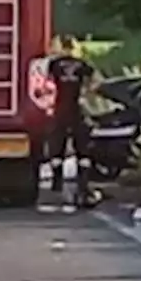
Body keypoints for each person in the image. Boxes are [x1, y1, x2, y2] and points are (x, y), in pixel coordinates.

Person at [44, 35, 97, 205]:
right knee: (82, 148)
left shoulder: (54, 64)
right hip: (77, 109)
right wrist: (87, 94)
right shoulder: (83, 64)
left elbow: (47, 83)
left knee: (57, 146)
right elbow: (95, 81)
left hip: (60, 109)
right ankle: (83, 182)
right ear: (74, 46)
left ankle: (56, 182)